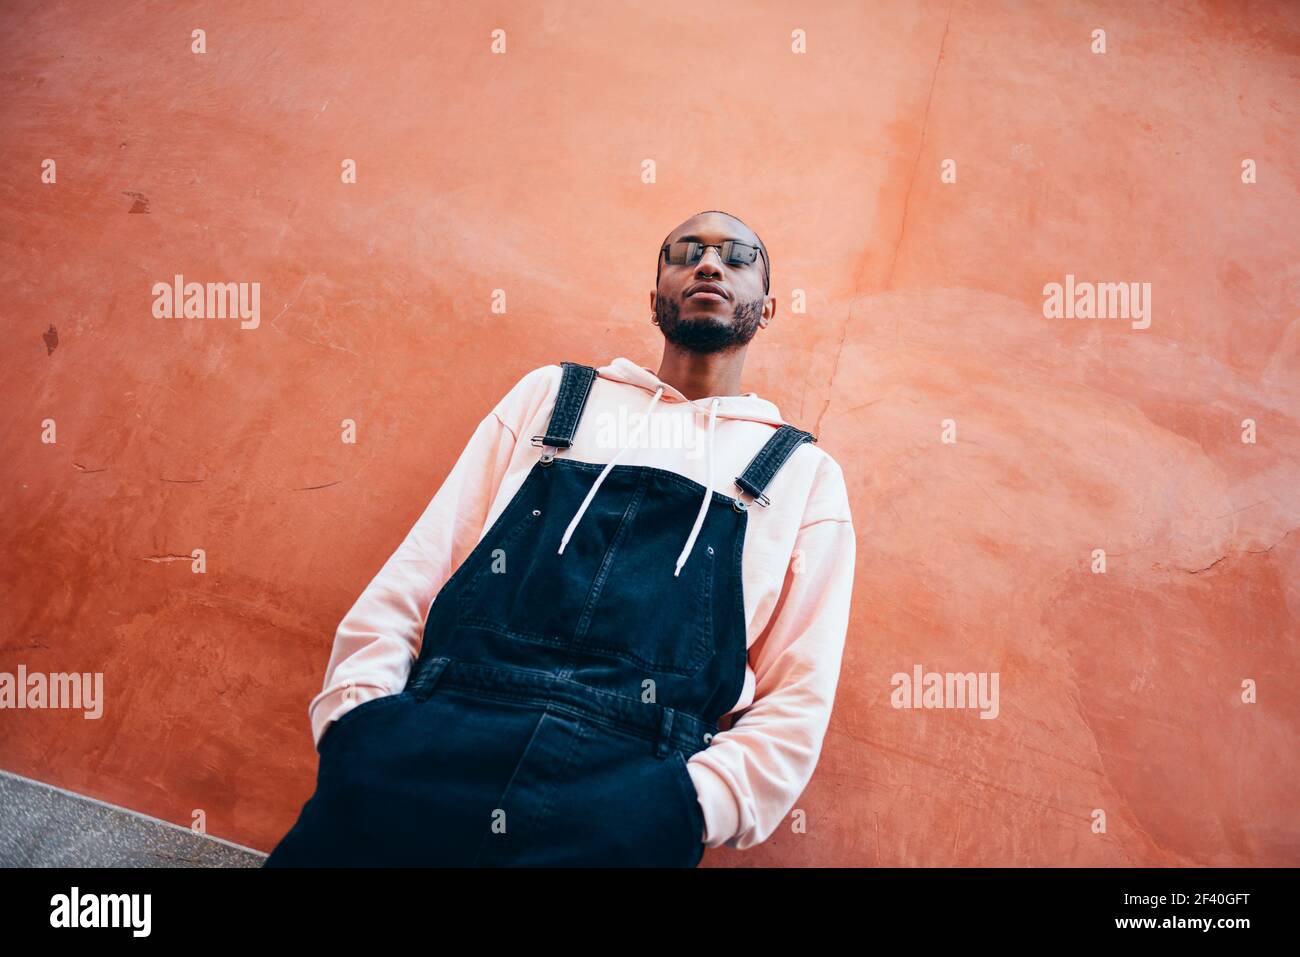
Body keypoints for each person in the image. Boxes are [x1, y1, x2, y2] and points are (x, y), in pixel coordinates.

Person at [264, 210, 856, 867]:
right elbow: (422, 567)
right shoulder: (553, 397)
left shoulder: (801, 475)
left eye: (737, 257)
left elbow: (796, 697)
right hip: (430, 747)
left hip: (624, 796)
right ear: (653, 295)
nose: (708, 265)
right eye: (684, 253)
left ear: (767, 308)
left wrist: (683, 807)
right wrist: (357, 725)